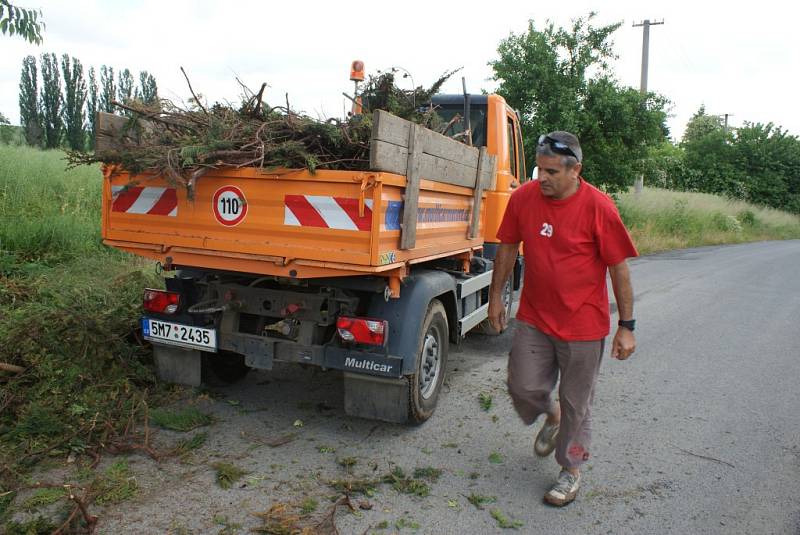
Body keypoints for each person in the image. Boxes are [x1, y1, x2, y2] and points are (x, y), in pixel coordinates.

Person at [488, 131, 638, 507]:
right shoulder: (523, 198)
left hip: (583, 326)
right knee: (521, 386)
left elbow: (618, 269)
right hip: (536, 316)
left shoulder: (599, 207)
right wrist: (495, 297)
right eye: (539, 169)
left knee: (578, 404)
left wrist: (626, 326)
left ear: (576, 170)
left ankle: (571, 471)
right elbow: (507, 247)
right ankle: (550, 414)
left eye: (552, 171)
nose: (542, 178)